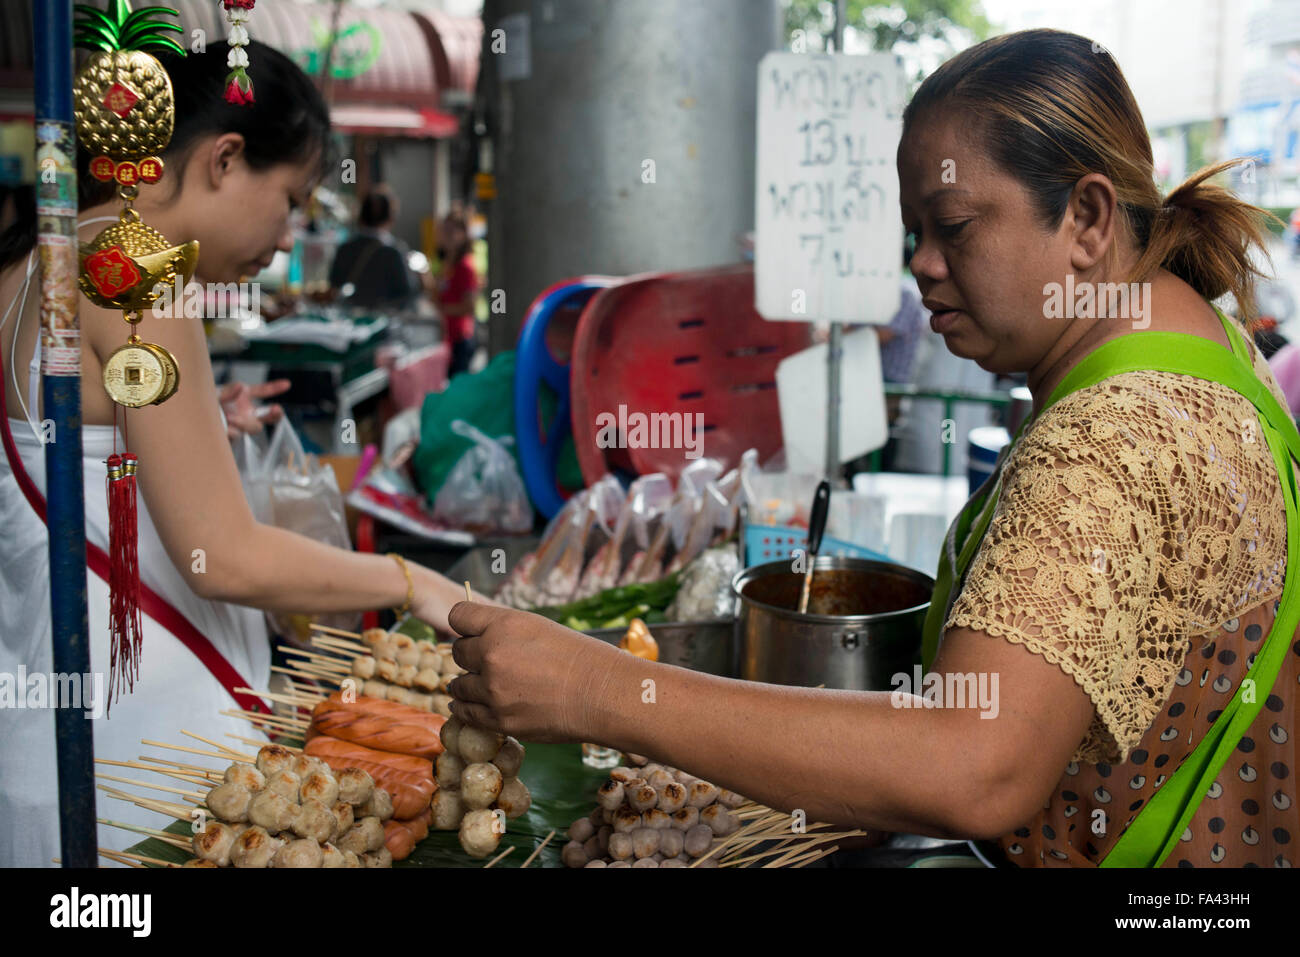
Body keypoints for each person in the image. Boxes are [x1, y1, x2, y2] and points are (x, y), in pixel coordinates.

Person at [440, 29, 1299, 867]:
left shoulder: (1110, 437)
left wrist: (602, 690)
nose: (922, 264)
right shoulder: (1197, 338)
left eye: (953, 225)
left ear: (1086, 217)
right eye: (912, 232)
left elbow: (976, 765)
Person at [0, 42, 471, 867]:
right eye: (290, 199)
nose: (286, 238)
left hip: (49, 752)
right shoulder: (135, 272)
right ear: (225, 158)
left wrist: (191, 421)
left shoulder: (32, 263)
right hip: (145, 765)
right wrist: (411, 579)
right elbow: (224, 557)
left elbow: (64, 438)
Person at [328, 185, 421, 312]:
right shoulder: (395, 252)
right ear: (391, 218)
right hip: (384, 324)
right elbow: (407, 294)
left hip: (349, 323)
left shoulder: (345, 249)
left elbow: (334, 286)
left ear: (361, 216)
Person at [435, 210, 479, 377]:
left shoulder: (465, 266)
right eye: (444, 230)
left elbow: (469, 306)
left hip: (460, 339)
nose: (447, 235)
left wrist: (441, 309)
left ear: (463, 234)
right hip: (446, 338)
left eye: (452, 230)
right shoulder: (446, 264)